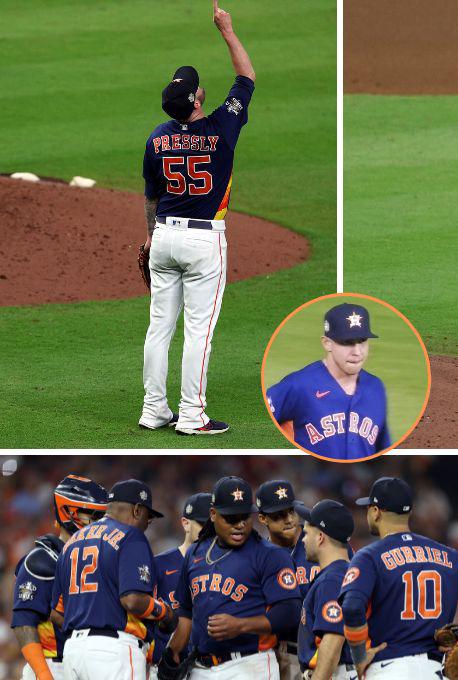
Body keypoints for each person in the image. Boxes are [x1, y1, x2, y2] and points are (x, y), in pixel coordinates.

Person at [139, 0, 256, 434]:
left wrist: (151, 237)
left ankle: (153, 409)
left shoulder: (157, 139)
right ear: (196, 99)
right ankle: (191, 415)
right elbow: (246, 78)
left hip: (163, 238)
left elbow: (151, 197)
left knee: (158, 328)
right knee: (198, 332)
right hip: (204, 242)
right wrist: (226, 30)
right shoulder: (222, 128)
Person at [339, 477, 458, 679]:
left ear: (375, 511)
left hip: (388, 669)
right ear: (409, 512)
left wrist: (359, 658)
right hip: (435, 671)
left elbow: (351, 607)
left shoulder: (369, 556)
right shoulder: (447, 555)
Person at [158, 477, 303, 680]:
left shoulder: (270, 555)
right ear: (213, 514)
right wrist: (173, 651)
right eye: (231, 518)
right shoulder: (195, 552)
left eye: (245, 517)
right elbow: (186, 612)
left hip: (249, 664)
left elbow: (290, 612)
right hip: (200, 667)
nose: (240, 525)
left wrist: (240, 625)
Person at [51, 480, 175, 680]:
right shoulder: (131, 536)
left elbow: (56, 613)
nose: (147, 524)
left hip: (73, 651)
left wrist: (87, 624)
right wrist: (164, 612)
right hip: (113, 651)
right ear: (137, 510)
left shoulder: (71, 542)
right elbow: (132, 601)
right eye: (148, 517)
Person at [265, 303, 391, 460]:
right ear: (327, 343)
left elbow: (383, 449)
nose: (357, 352)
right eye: (347, 342)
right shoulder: (299, 385)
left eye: (362, 341)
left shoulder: (376, 387)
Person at [12, 476, 107, 680]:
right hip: (54, 665)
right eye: (93, 515)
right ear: (69, 512)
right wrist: (44, 674)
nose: (100, 523)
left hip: (87, 662)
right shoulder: (43, 559)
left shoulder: (103, 557)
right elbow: (23, 622)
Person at [256, 479, 319, 679]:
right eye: (279, 515)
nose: (289, 519)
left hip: (328, 649)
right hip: (283, 654)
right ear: (263, 518)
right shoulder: (259, 556)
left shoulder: (320, 540)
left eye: (291, 511)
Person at [147, 492, 212, 680]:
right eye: (203, 525)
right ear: (185, 523)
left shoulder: (222, 565)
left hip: (207, 666)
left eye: (213, 527)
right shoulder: (159, 565)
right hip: (165, 666)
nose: (208, 532)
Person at [295, 501, 356, 680]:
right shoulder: (348, 572)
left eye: (306, 533)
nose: (303, 540)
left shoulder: (332, 580)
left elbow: (333, 643)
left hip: (338, 673)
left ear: (320, 537)